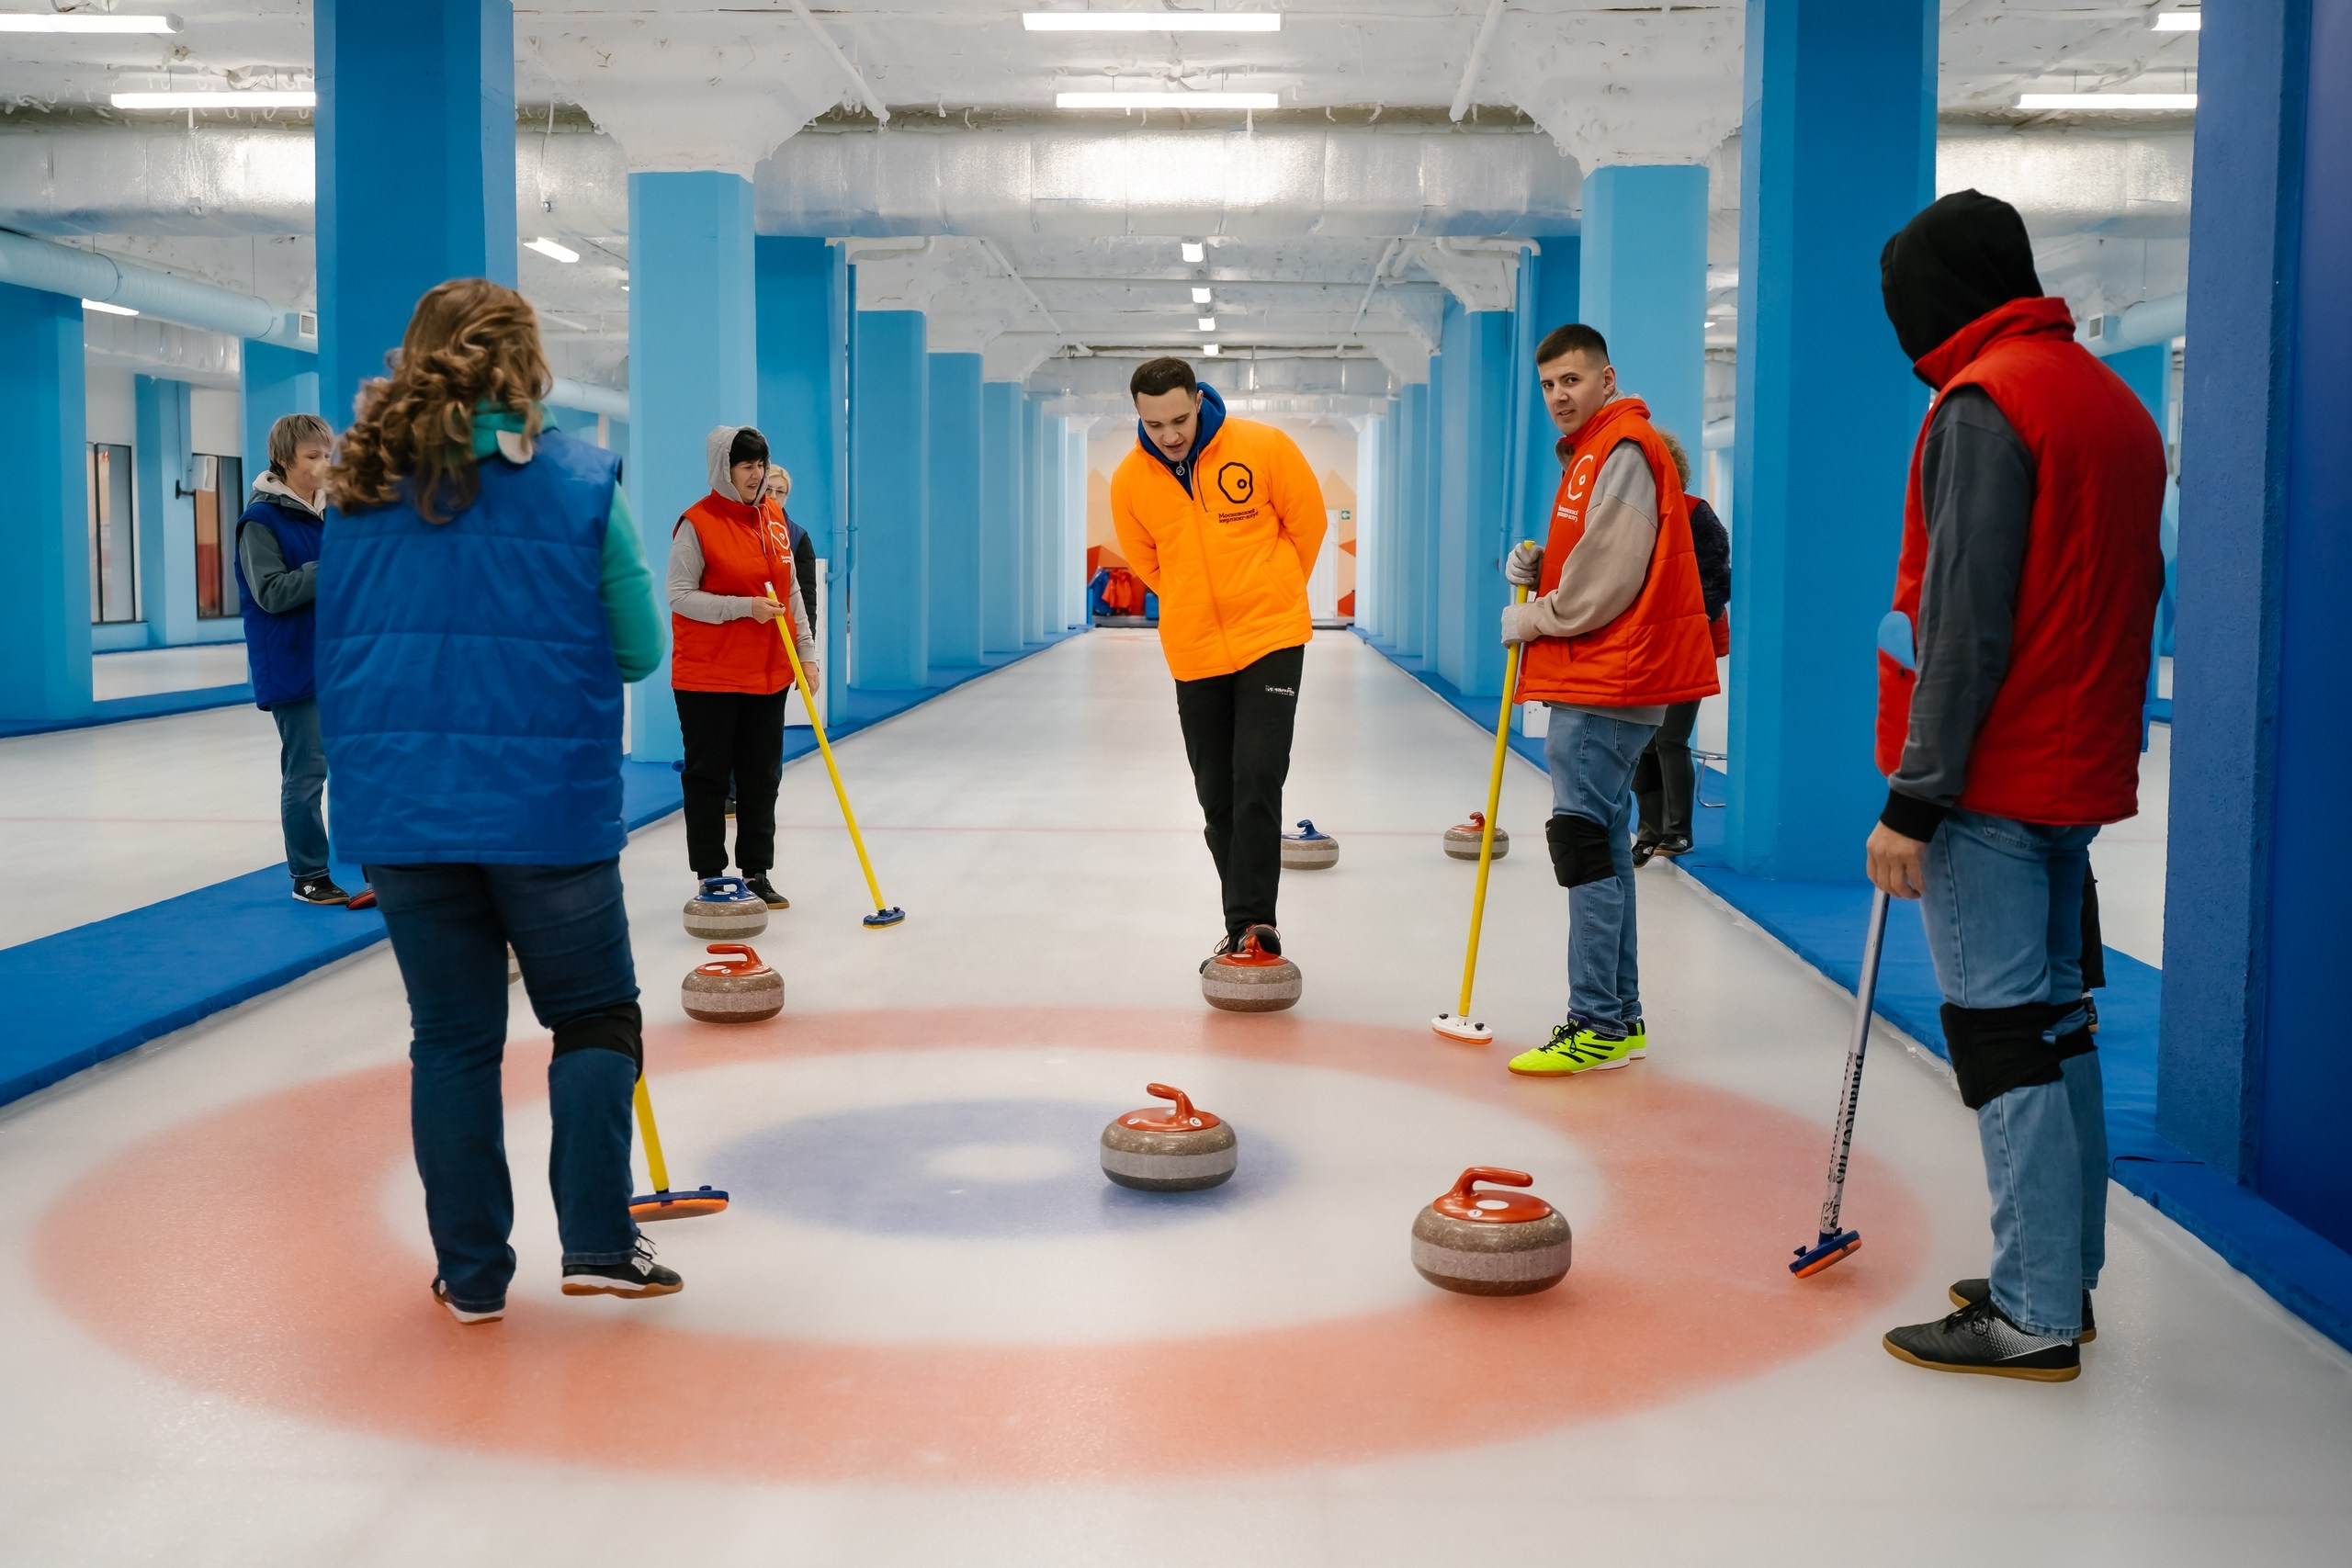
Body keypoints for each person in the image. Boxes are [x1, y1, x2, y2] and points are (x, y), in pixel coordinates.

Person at [315, 277, 674, 1325]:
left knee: (454, 1041)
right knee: (593, 1017)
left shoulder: (355, 494)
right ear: (524, 363)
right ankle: (602, 1242)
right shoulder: (581, 482)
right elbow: (642, 651)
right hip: (544, 811)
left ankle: (471, 1277)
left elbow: (345, 648)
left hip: (404, 815)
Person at [1868, 191, 2165, 1382]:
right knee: (2054, 1019)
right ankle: (2064, 1272)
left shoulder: (1988, 402)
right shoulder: (2112, 400)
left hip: (1992, 779)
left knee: (2001, 1038)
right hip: (2071, 769)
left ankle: (2035, 1306)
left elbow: (1966, 625)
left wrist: (1914, 799)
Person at [1498, 325, 1720, 1077]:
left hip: (1606, 679)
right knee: (1604, 844)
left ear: (1605, 377)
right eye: (1548, 385)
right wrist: (1539, 563)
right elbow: (1591, 557)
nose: (1559, 395)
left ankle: (1593, 1019)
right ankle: (1618, 1018)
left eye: (1571, 379)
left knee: (1582, 842)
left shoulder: (1621, 448)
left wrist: (1530, 617)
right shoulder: (1598, 451)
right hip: (1604, 678)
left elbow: (1607, 583)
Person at [1110, 356, 1326, 964]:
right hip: (1195, 648)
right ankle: (1243, 920)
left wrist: (1275, 591)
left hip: (1271, 635)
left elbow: (1306, 525)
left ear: (1198, 400)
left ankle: (1252, 923)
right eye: (1155, 425)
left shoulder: (1262, 446)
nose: (1171, 434)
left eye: (1179, 418)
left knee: (1257, 774)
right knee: (1216, 795)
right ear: (1140, 418)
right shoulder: (1129, 481)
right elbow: (1149, 564)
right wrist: (1189, 604)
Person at [667, 426, 820, 909]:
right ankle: (711, 874)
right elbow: (679, 595)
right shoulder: (697, 523)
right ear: (724, 469)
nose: (755, 475)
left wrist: (808, 654)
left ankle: (756, 871)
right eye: (746, 465)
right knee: (710, 775)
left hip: (766, 672)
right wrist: (742, 607)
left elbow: (791, 589)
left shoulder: (773, 518)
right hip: (708, 675)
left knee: (760, 776)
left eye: (760, 465)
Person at [235, 412, 345, 905]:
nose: (324, 465)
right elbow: (272, 593)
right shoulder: (260, 521)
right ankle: (309, 875)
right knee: (306, 774)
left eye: (328, 455)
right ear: (283, 459)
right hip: (294, 663)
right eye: (312, 456)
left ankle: (379, 866)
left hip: (341, 660)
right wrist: (335, 563)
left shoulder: (331, 513)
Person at [1630, 430, 1732, 866]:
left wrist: (1689, 621)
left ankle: (1678, 832)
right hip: (1643, 644)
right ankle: (1648, 831)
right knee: (1643, 742)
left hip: (1688, 643)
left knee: (1670, 738)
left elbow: (1716, 577)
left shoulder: (1696, 513)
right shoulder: (1634, 516)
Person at [763, 462, 821, 654]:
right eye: (768, 489)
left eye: (780, 491)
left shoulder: (798, 537)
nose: (773, 496)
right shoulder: (740, 527)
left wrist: (806, 647)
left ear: (786, 498)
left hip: (783, 629)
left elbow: (807, 597)